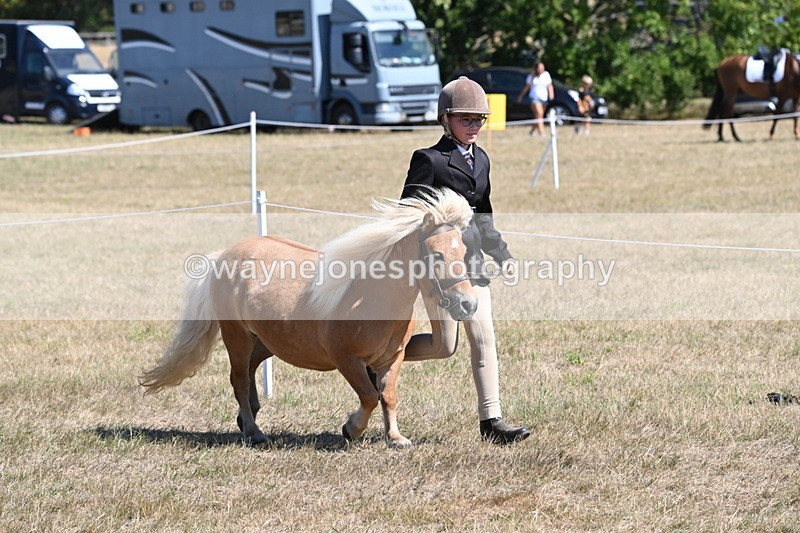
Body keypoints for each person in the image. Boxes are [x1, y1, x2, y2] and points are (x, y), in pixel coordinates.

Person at [400, 76, 531, 445]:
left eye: (479, 120)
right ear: (446, 120)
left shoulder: (483, 159)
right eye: (466, 119)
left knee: (483, 338)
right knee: (445, 347)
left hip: (473, 265)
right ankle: (380, 355)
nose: (474, 126)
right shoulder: (428, 160)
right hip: (441, 269)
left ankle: (492, 421)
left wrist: (501, 253)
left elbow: (484, 214)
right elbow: (407, 213)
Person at [516, 61, 554, 136]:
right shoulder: (531, 76)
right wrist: (521, 96)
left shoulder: (546, 75)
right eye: (539, 68)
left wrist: (551, 94)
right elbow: (527, 87)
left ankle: (533, 130)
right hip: (534, 98)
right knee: (539, 114)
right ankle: (542, 133)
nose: (541, 69)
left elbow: (549, 85)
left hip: (543, 98)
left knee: (539, 116)